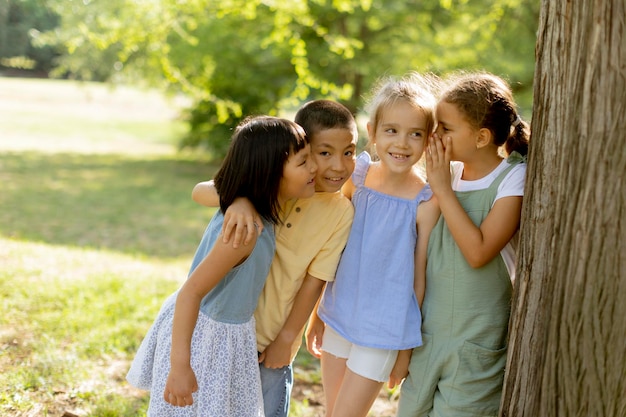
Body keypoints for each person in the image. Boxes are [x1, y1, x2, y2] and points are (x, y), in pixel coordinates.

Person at [126, 115, 317, 417]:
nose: (314, 168)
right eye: (303, 162)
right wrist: (180, 366)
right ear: (270, 172)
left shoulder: (256, 212)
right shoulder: (245, 232)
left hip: (227, 338)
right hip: (203, 340)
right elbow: (191, 292)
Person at [190, 99, 358, 417]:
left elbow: (314, 281)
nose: (339, 165)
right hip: (225, 331)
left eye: (348, 152)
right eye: (324, 153)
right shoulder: (272, 186)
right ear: (300, 150)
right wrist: (238, 199)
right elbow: (200, 190)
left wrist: (286, 339)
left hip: (272, 343)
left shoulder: (340, 213)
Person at [396, 72, 530, 417]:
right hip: (428, 334)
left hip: (476, 344)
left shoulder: (512, 177)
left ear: (482, 137)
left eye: (445, 128)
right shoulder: (448, 174)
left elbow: (478, 252)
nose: (435, 135)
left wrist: (442, 188)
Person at [308, 72, 441, 417]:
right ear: (373, 133)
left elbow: (419, 278)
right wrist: (318, 313)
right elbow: (333, 251)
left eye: (415, 134)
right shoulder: (358, 179)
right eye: (392, 131)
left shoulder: (426, 201)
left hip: (383, 330)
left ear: (428, 141)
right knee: (331, 411)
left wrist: (404, 349)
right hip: (339, 314)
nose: (402, 143)